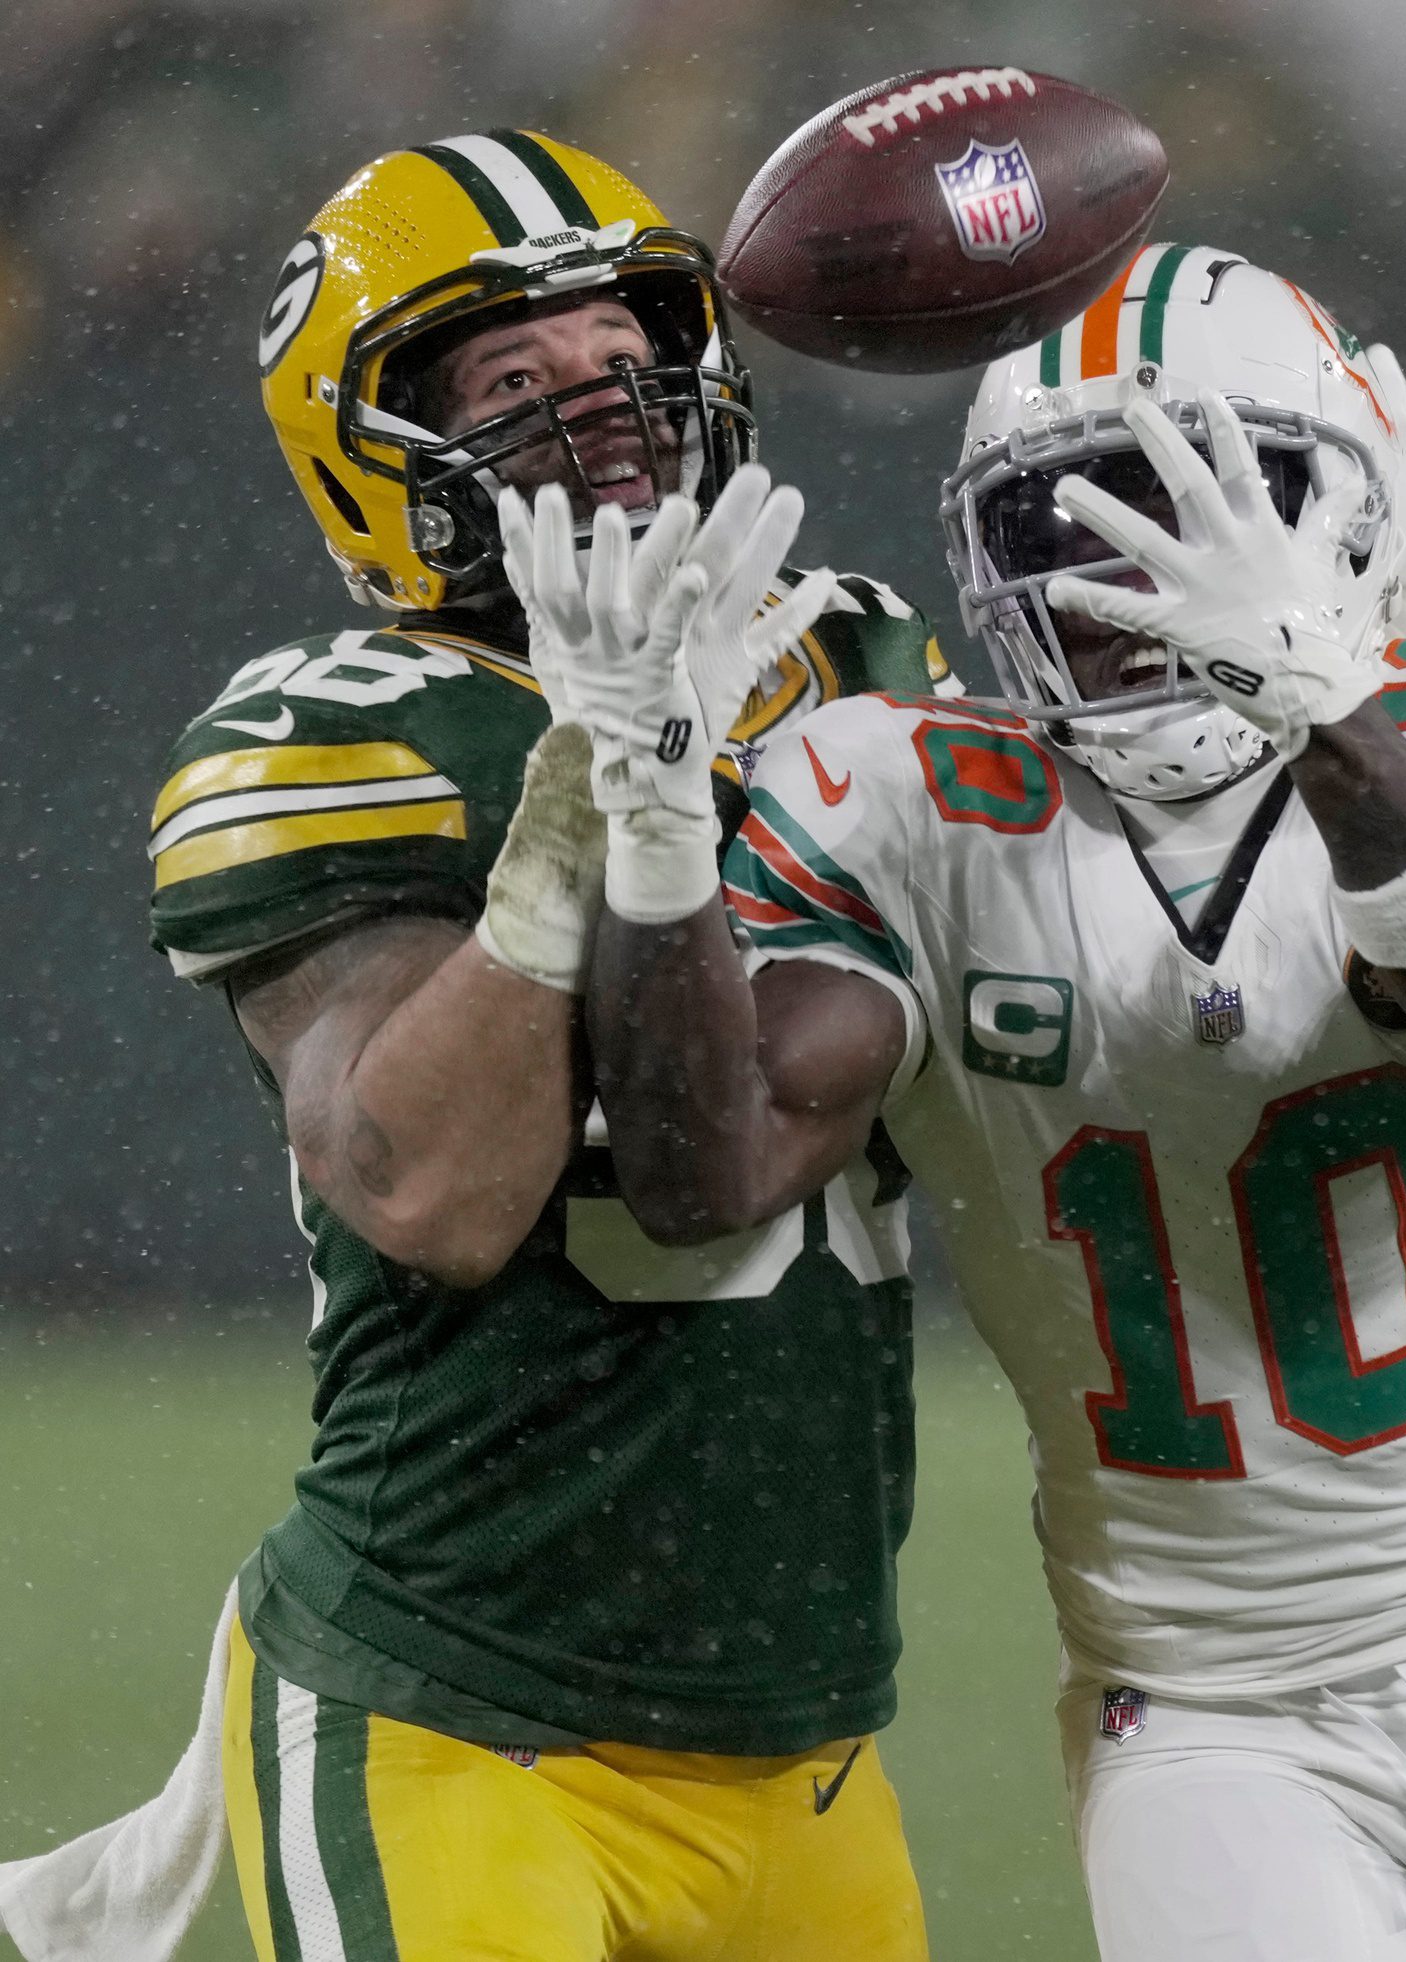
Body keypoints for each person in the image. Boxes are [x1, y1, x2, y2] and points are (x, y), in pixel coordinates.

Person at [525, 244, 1406, 1960]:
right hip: (1218, 1721)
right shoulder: (912, 802)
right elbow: (708, 1171)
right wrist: (657, 814)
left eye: (1214, 512)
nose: (1126, 586)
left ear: (1341, 519)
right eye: (1068, 528)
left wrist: (1338, 699)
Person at [140, 131, 948, 1962]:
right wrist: (594, 780)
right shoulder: (342, 729)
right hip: (457, 1705)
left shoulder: (853, 664)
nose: (602, 416)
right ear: (376, 451)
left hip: (800, 1729)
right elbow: (427, 1185)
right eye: (514, 382)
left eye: (621, 360)